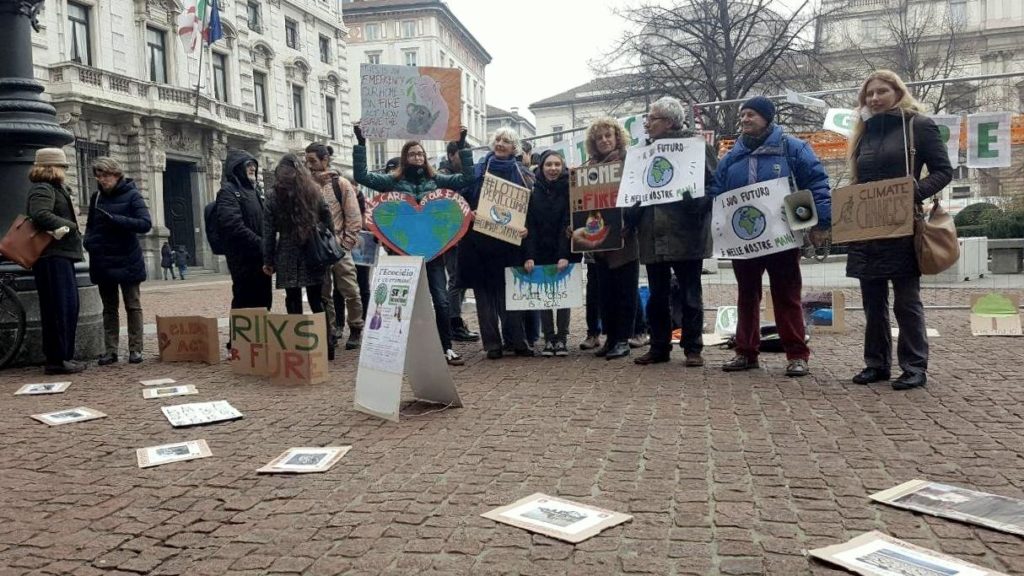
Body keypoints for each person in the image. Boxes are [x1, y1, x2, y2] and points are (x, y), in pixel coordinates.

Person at [711, 96, 832, 376]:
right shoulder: (730, 158)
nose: (744, 119)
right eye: (742, 115)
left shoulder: (792, 149)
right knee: (746, 296)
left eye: (751, 114)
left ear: (767, 117)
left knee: (787, 295)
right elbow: (717, 194)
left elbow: (815, 182)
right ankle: (746, 352)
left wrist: (820, 223)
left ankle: (797, 354)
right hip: (744, 241)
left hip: (783, 237)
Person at [846, 70, 952, 390]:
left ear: (897, 92)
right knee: (872, 301)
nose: (875, 98)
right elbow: (859, 181)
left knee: (906, 301)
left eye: (882, 91)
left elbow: (943, 171)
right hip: (867, 227)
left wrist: (913, 193)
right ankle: (876, 364)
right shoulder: (863, 131)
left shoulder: (917, 125)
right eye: (869, 94)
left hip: (903, 225)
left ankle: (914, 366)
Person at [353, 124, 475, 366]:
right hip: (403, 254)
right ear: (404, 158)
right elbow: (362, 176)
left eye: (420, 154)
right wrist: (361, 143)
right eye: (412, 154)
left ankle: (446, 347)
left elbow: (467, 178)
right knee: (402, 301)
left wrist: (462, 145)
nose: (417, 157)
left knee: (440, 300)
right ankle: (398, 348)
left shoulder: (436, 180)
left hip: (434, 254)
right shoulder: (392, 181)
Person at [628, 98, 715, 367]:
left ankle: (693, 348)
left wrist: (694, 203)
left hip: (686, 232)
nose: (646, 122)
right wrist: (630, 216)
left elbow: (713, 185)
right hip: (652, 233)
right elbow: (633, 190)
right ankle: (659, 347)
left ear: (667, 122)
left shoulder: (698, 148)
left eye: (651, 118)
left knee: (690, 293)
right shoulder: (642, 152)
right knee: (657, 296)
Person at [458, 127, 535, 359]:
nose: (501, 143)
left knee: (509, 294)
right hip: (478, 242)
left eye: (506, 141)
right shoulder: (478, 170)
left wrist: (526, 229)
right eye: (498, 139)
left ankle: (516, 340)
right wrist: (468, 212)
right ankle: (492, 344)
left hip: (509, 244)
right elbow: (462, 197)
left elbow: (531, 209)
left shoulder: (523, 174)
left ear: (514, 148)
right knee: (484, 297)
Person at [83, 157, 153, 365]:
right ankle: (111, 350)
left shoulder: (133, 195)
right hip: (103, 259)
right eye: (98, 176)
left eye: (105, 175)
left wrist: (117, 220)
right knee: (109, 308)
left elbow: (145, 224)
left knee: (133, 305)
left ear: (116, 175)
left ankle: (135, 349)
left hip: (127, 258)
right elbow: (90, 226)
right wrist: (89, 242)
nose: (101, 180)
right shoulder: (96, 198)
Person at [580, 118, 638, 360]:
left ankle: (623, 339)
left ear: (617, 137)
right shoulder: (588, 167)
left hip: (624, 238)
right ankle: (611, 338)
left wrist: (630, 223)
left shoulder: (630, 163)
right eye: (599, 137)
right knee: (605, 293)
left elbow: (638, 197)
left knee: (625, 292)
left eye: (608, 136)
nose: (604, 140)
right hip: (599, 240)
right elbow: (581, 203)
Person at [26, 148, 86, 375]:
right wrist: (70, 226)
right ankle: (57, 359)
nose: (64, 171)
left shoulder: (54, 188)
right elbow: (39, 214)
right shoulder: (43, 188)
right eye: (62, 167)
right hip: (52, 256)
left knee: (67, 307)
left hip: (61, 255)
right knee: (58, 309)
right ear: (52, 167)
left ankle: (63, 357)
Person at [306, 143, 363, 358]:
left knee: (350, 289)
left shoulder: (342, 184)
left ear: (324, 160)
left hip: (339, 248)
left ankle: (355, 327)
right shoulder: (306, 186)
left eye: (312, 160)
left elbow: (354, 217)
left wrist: (345, 244)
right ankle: (329, 332)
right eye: (307, 161)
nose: (309, 165)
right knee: (323, 293)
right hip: (316, 250)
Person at [263, 154, 335, 315]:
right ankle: (325, 338)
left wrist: (268, 260)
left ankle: (297, 339)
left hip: (286, 252)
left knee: (293, 299)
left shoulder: (272, 195)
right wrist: (327, 240)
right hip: (313, 249)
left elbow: (268, 231)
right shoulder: (314, 190)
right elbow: (327, 218)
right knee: (316, 299)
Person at [523, 150, 579, 357]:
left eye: (557, 164)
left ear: (562, 167)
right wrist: (529, 255)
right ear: (541, 167)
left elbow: (567, 222)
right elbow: (530, 227)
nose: (553, 169)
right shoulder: (532, 191)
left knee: (564, 297)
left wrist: (564, 254)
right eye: (549, 164)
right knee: (545, 297)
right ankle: (549, 338)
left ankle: (562, 338)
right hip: (541, 251)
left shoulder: (570, 190)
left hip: (563, 250)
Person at [216, 150, 271, 311]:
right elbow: (233, 225)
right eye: (248, 165)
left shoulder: (256, 191)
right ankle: (239, 337)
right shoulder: (228, 191)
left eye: (254, 164)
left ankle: (260, 335)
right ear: (237, 167)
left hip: (260, 258)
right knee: (244, 301)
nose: (252, 168)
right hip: (242, 258)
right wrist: (261, 243)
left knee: (264, 301)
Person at [438, 140, 480, 343]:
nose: (465, 159)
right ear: (451, 155)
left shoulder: (458, 176)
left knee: (459, 279)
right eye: (462, 155)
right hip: (450, 236)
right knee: (455, 279)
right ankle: (453, 323)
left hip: (460, 235)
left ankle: (454, 321)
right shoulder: (444, 177)